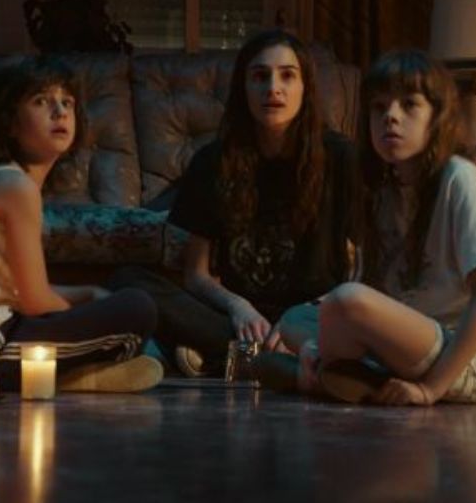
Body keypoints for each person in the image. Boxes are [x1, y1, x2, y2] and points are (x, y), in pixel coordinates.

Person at [108, 29, 359, 377]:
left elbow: (362, 271)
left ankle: (231, 358)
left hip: (312, 317)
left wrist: (305, 317)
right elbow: (196, 275)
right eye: (260, 76)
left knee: (355, 321)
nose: (273, 88)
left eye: (287, 76)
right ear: (243, 87)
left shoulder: (341, 157)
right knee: (128, 281)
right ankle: (267, 360)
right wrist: (238, 306)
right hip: (239, 322)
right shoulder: (212, 161)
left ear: (306, 88)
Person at [312, 50, 476, 405]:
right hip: (419, 342)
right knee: (296, 320)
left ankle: (322, 377)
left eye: (409, 105)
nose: (390, 116)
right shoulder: (384, 194)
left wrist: (430, 389)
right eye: (378, 107)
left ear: (437, 118)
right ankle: (335, 376)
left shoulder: (459, 180)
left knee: (344, 302)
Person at [0, 59, 162, 394]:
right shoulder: (14, 186)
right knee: (138, 308)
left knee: (119, 303)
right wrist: (87, 310)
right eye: (41, 101)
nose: (59, 112)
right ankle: (78, 376)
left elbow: (24, 294)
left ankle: (75, 373)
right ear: (10, 123)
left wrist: (87, 296)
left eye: (67, 102)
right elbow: (34, 302)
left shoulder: (7, 181)